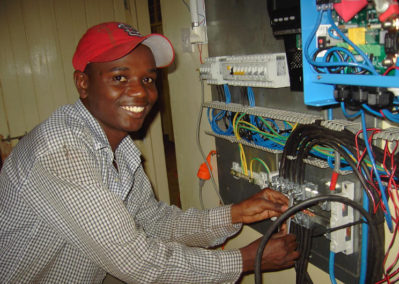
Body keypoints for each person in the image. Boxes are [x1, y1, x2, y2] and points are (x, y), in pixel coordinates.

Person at [0, 22, 299, 283]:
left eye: (148, 79)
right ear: (83, 83)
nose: (142, 92)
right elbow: (134, 260)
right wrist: (246, 259)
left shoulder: (121, 148)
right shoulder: (61, 149)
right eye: (119, 77)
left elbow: (154, 222)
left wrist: (234, 214)